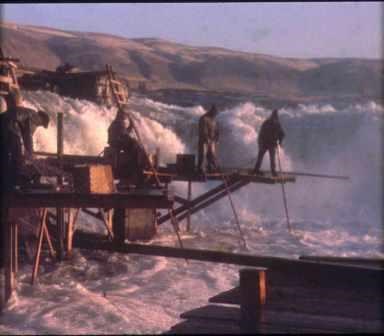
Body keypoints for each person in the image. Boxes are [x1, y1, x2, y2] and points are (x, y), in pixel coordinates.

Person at [107, 108, 148, 186]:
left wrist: (131, 126)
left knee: (136, 147)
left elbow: (124, 133)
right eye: (124, 115)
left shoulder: (118, 122)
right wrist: (133, 141)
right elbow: (124, 135)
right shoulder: (118, 123)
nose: (125, 117)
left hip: (118, 142)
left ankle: (137, 170)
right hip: (116, 143)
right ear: (120, 115)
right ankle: (136, 172)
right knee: (136, 148)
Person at [253, 109, 285, 177]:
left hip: (272, 144)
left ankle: (273, 172)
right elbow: (261, 134)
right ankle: (256, 170)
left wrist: (280, 142)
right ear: (272, 116)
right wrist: (260, 144)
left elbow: (282, 134)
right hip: (264, 143)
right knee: (260, 157)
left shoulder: (277, 124)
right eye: (273, 116)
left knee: (272, 159)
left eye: (275, 117)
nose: (274, 118)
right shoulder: (266, 123)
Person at [197, 104, 220, 173]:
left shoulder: (214, 120)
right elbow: (203, 130)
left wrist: (217, 139)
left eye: (216, 113)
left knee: (212, 156)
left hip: (212, 141)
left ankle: (211, 168)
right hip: (204, 141)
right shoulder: (204, 118)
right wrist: (206, 139)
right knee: (202, 155)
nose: (216, 114)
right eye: (215, 112)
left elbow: (217, 130)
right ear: (211, 111)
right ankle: (200, 169)